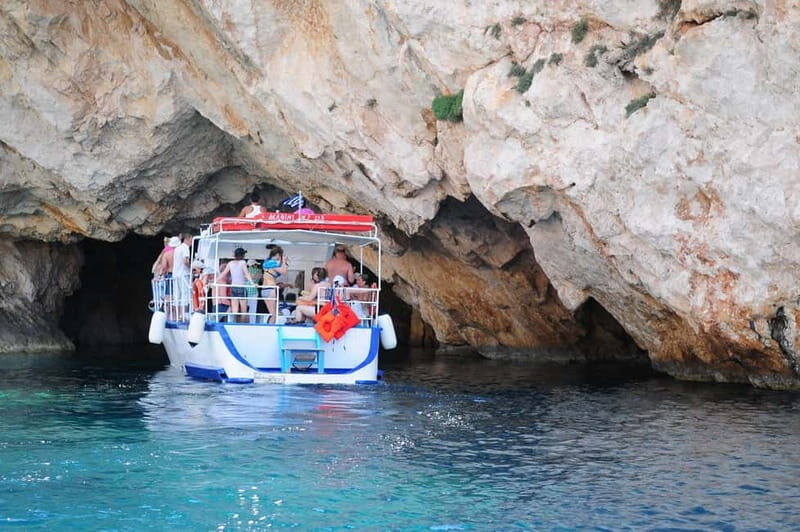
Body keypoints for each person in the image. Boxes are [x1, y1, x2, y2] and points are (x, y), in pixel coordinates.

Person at [216, 248, 255, 323]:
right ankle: (242, 325)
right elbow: (246, 274)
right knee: (244, 310)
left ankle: (233, 324)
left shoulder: (230, 263)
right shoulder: (243, 263)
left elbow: (223, 273)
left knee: (235, 310)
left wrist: (215, 281)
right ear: (242, 255)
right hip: (241, 287)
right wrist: (252, 283)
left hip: (233, 287)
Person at [261, 245, 288, 324]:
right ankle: (270, 330)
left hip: (265, 289)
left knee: (273, 313)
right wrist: (284, 261)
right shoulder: (271, 263)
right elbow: (284, 271)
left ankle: (269, 327)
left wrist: (282, 262)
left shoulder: (267, 262)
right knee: (274, 314)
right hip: (270, 289)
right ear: (278, 255)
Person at [172, 233, 192, 321]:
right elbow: (185, 261)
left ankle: (177, 315)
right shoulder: (185, 248)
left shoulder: (177, 248)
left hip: (176, 275)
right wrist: (192, 267)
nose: (192, 242)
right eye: (191, 240)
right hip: (184, 274)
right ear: (187, 239)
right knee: (185, 295)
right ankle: (184, 315)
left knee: (177, 295)